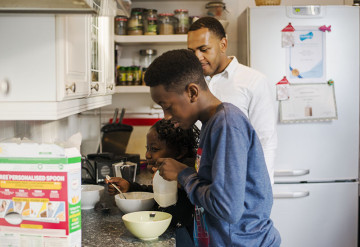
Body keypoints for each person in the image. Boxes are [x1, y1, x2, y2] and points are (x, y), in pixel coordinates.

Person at [144, 49, 281, 246]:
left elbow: (227, 209)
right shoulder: (211, 123)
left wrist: (183, 173)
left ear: (192, 92)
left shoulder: (226, 123)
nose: (166, 116)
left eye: (168, 106)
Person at [187, 17, 277, 184]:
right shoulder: (191, 82)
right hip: (199, 184)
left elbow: (265, 141)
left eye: (204, 49)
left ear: (223, 44)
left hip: (237, 184)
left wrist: (262, 192)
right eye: (192, 51)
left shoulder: (253, 81)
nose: (197, 57)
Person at [106, 119, 199, 246]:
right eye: (147, 148)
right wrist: (130, 187)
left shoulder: (189, 174)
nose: (148, 154)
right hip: (165, 233)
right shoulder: (165, 174)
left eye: (154, 149)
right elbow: (157, 195)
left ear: (180, 152)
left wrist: (176, 181)